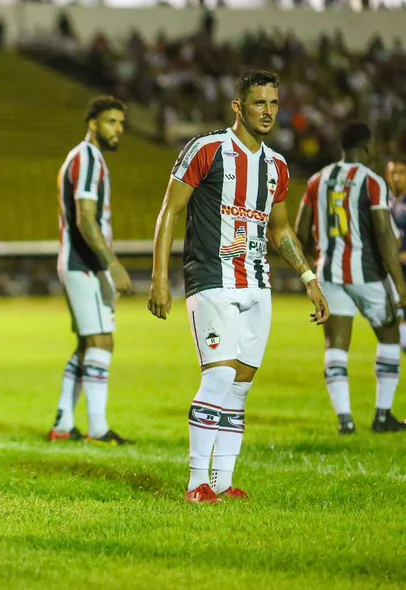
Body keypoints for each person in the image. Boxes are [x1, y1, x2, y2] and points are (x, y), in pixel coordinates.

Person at [147, 70, 330, 504]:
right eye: (258, 103)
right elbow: (169, 212)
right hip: (211, 278)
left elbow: (281, 229)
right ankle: (196, 485)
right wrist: (159, 278)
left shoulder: (276, 166)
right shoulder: (207, 149)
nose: (267, 112)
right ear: (238, 106)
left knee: (240, 386)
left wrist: (309, 279)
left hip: (257, 284)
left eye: (273, 104)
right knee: (219, 376)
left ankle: (224, 483)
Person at [295, 122, 406, 435]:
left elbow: (301, 232)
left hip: (328, 273)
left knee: (336, 345)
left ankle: (345, 421)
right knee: (389, 337)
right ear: (368, 147)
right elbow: (384, 233)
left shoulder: (318, 180)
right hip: (366, 273)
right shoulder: (372, 181)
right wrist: (400, 284)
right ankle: (382, 416)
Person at [49, 95, 133, 445]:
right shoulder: (86, 158)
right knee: (102, 342)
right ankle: (97, 429)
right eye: (112, 122)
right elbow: (85, 218)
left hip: (81, 262)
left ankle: (63, 423)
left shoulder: (87, 158)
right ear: (93, 122)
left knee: (88, 344)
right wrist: (111, 263)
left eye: (122, 124)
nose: (119, 130)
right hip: (84, 263)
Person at [386, 156, 406, 351]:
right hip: (391, 270)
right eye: (394, 173)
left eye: (401, 172)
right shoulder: (384, 203)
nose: (397, 177)